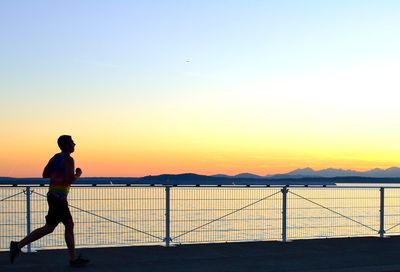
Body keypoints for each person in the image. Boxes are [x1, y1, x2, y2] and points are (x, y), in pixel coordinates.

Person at [10, 135, 89, 267]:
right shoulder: (69, 159)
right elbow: (71, 180)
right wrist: (79, 173)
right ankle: (17, 246)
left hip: (54, 196)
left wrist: (58, 172)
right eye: (72, 142)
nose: (75, 144)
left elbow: (45, 174)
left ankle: (73, 258)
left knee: (65, 225)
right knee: (51, 227)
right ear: (66, 145)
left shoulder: (55, 157)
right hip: (58, 198)